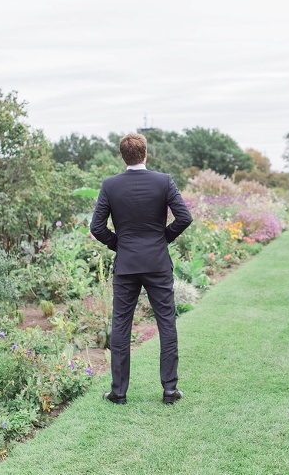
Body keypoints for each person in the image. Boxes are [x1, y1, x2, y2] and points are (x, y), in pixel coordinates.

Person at [90, 133, 193, 405]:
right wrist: (163, 239)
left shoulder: (110, 185)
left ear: (123, 156)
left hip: (126, 265)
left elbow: (96, 228)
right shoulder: (164, 181)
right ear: (145, 153)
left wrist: (119, 245)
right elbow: (185, 217)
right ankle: (170, 390)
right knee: (166, 323)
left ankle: (119, 392)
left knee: (121, 327)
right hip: (157, 263)